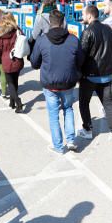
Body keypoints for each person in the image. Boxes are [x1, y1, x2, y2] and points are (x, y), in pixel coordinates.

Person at [29, 9, 84, 154]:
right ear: (63, 22)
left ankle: (58, 146)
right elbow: (81, 61)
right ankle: (71, 140)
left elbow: (34, 63)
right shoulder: (73, 39)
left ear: (50, 23)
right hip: (68, 82)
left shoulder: (42, 40)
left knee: (53, 114)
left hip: (50, 83)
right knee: (68, 108)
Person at [76, 5, 112, 145]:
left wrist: (79, 72)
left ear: (89, 15)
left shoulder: (88, 32)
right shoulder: (108, 29)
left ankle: (87, 129)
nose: (82, 17)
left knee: (84, 102)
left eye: (83, 14)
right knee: (108, 104)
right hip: (106, 74)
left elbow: (81, 54)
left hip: (90, 75)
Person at [0, 13, 25, 113]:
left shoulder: (0, 33)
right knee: (15, 80)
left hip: (6, 59)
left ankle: (18, 102)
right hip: (18, 58)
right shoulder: (18, 31)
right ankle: (12, 102)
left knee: (10, 83)